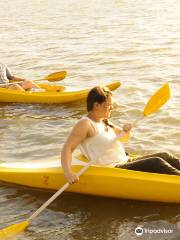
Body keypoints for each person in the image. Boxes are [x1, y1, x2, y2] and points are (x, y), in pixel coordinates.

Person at [61, 86, 180, 184]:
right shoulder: (85, 124)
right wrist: (68, 172)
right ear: (96, 105)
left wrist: (126, 130)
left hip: (125, 160)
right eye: (108, 105)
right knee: (156, 162)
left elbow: (124, 138)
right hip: (113, 168)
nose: (111, 107)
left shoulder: (104, 120)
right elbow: (68, 147)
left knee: (165, 155)